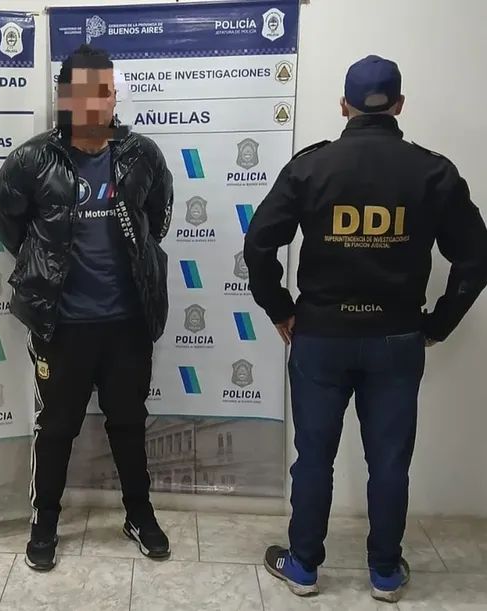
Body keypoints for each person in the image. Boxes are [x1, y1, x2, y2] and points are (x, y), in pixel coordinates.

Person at [244, 55, 487, 602]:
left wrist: (280, 308)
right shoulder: (432, 171)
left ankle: (303, 567)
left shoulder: (311, 167)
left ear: (344, 106)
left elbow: (258, 243)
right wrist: (439, 324)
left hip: (320, 338)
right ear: (399, 105)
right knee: (390, 461)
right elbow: (476, 258)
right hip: (397, 339)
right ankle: (384, 573)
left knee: (314, 457)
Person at [0, 44, 174, 571]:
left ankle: (138, 514)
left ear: (115, 96)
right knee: (57, 428)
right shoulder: (32, 160)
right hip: (62, 325)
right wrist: (44, 264)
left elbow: (157, 219)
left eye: (106, 91)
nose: (98, 101)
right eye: (86, 91)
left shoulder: (142, 155)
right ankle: (45, 520)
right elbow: (7, 219)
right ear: (65, 97)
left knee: (128, 422)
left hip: (127, 323)